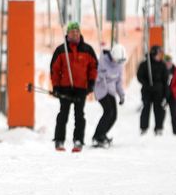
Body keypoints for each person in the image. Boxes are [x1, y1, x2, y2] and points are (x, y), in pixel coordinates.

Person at [50, 22, 98, 152]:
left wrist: (91, 83)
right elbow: (54, 69)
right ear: (68, 34)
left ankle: (78, 140)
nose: (75, 34)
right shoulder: (61, 50)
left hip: (81, 88)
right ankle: (59, 140)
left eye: (77, 31)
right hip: (65, 87)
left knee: (79, 116)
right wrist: (56, 86)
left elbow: (93, 67)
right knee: (63, 115)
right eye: (72, 32)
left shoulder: (87, 50)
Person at [92, 44, 126, 148]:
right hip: (101, 90)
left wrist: (121, 95)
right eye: (118, 60)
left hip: (111, 91)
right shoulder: (102, 61)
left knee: (114, 116)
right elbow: (94, 76)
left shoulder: (119, 66)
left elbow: (119, 82)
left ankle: (102, 134)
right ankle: (97, 137)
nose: (119, 63)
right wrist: (99, 75)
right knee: (108, 112)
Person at [137, 45, 169, 135]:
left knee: (159, 110)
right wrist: (146, 84)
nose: (160, 56)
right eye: (158, 54)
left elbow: (165, 80)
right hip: (147, 91)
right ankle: (144, 128)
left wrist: (166, 94)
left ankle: (158, 128)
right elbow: (139, 76)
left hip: (159, 92)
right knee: (146, 108)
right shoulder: (145, 64)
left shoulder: (162, 65)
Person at [164, 54, 176, 136]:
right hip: (164, 94)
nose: (168, 64)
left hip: (173, 95)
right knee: (161, 112)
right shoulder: (162, 69)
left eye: (169, 62)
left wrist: (172, 90)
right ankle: (159, 129)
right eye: (167, 62)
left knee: (175, 114)